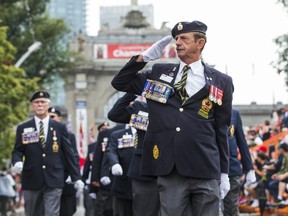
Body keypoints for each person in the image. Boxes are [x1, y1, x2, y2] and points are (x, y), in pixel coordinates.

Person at [111, 20, 234, 215]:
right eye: (176, 39)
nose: (178, 42)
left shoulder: (221, 81)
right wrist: (144, 57)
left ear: (200, 43)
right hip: (171, 169)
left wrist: (225, 172)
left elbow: (221, 128)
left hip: (205, 165)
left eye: (184, 38)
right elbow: (120, 82)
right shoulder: (159, 73)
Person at [11, 90, 84, 216]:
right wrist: (17, 161)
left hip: (54, 178)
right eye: (36, 102)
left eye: (43, 102)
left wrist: (76, 176)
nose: (39, 105)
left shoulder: (59, 127)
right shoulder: (23, 128)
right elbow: (17, 150)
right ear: (32, 105)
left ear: (48, 105)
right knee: (32, 213)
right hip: (32, 178)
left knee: (52, 213)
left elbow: (69, 153)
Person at [107, 92, 160, 216]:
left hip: (175, 168)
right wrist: (133, 92)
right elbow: (115, 114)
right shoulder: (140, 108)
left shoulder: (177, 107)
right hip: (146, 171)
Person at [222, 108, 256, 215]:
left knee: (231, 209)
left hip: (231, 167)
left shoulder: (234, 113)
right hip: (209, 167)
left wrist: (249, 168)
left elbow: (241, 141)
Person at [48, 107, 80, 216]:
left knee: (67, 210)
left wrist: (74, 174)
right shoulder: (43, 135)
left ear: (60, 119)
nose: (50, 119)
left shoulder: (70, 136)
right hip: (49, 180)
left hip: (65, 179)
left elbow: (74, 156)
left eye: (52, 116)